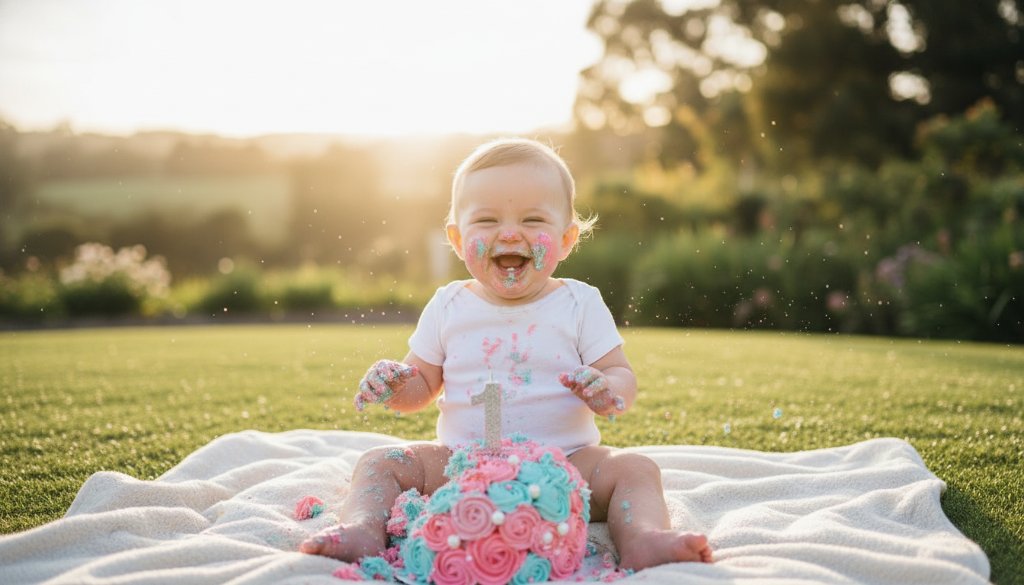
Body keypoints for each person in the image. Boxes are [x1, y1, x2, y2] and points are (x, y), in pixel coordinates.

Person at [300, 138, 713, 570]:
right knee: (380, 462)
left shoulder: (579, 303)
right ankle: (362, 530)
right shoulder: (448, 305)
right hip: (461, 467)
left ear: (567, 239)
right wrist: (396, 382)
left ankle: (645, 538)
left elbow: (619, 373)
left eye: (533, 219)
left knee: (636, 468)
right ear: (458, 240)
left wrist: (607, 388)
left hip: (566, 468)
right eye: (487, 219)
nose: (510, 233)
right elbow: (421, 387)